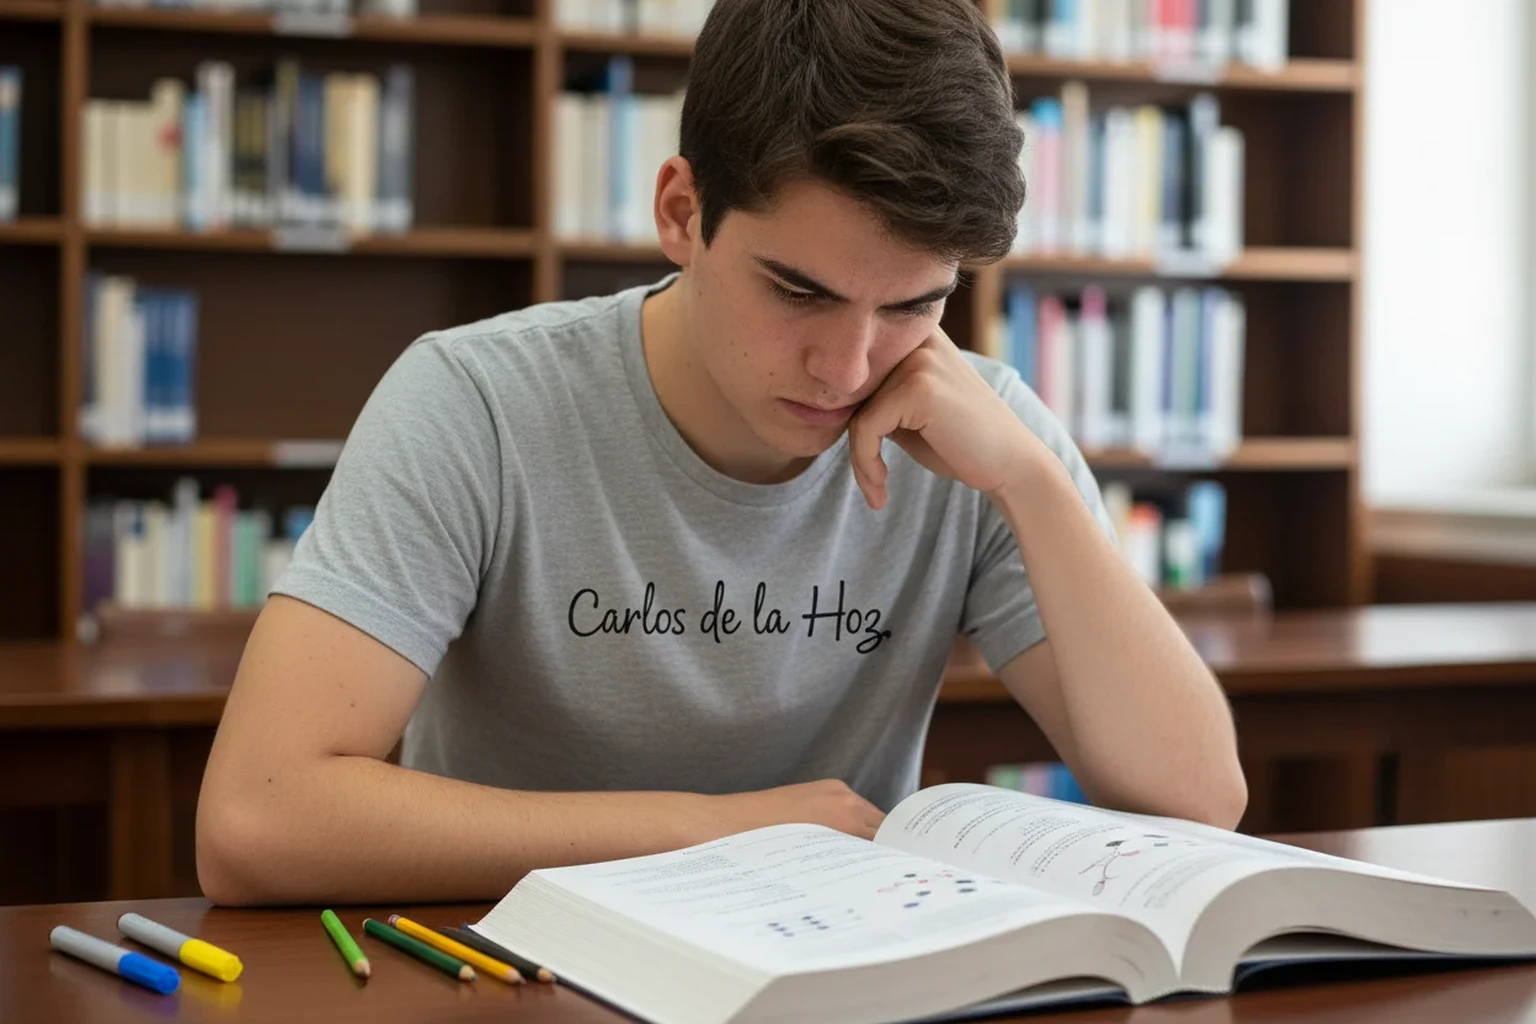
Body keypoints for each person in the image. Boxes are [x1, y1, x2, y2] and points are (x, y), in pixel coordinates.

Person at [196, 0, 1246, 906]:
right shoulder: (476, 399)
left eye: (915, 304)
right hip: (516, 974)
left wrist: (1033, 486)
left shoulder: (980, 427)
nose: (848, 366)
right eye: (800, 292)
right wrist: (724, 829)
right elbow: (253, 818)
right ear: (681, 212)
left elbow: (1199, 799)